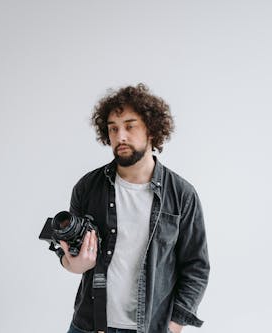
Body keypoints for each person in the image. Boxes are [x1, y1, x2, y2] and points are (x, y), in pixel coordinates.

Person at [56, 84, 210, 333]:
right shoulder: (87, 187)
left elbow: (196, 266)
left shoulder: (181, 194)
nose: (121, 136)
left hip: (151, 327)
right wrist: (72, 264)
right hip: (89, 325)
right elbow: (69, 254)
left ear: (151, 129)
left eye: (130, 126)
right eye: (113, 129)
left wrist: (175, 324)